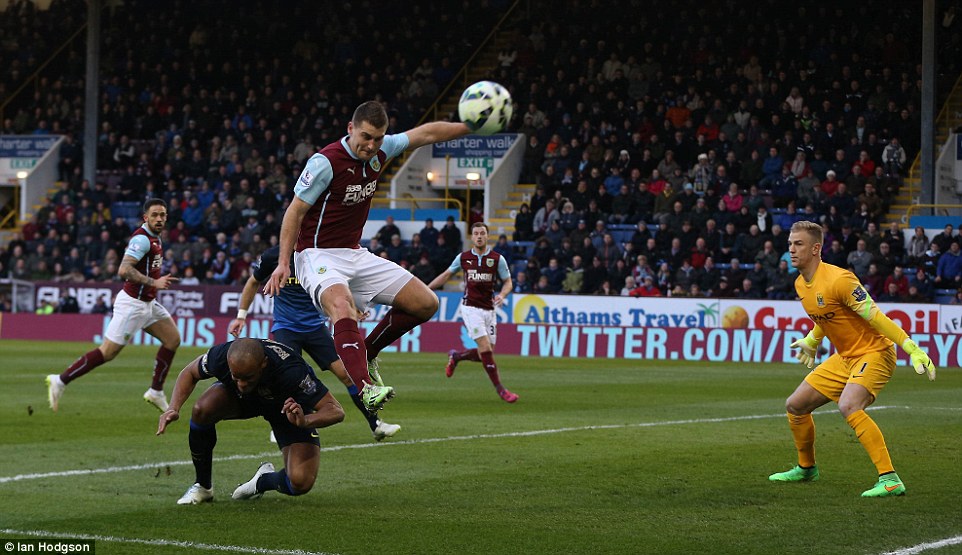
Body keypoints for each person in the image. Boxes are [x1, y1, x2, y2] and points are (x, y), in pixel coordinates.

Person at [265, 101, 476, 412]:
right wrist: (284, 262)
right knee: (341, 305)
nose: (371, 145)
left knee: (426, 302)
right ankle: (365, 387)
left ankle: (369, 350)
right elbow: (295, 211)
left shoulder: (382, 149)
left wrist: (471, 127)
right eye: (365, 137)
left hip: (354, 252)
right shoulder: (325, 162)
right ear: (350, 129)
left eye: (378, 138)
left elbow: (427, 132)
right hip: (315, 253)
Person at [770, 221, 936, 497]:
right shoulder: (801, 284)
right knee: (796, 406)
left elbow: (876, 316)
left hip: (875, 353)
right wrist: (813, 339)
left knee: (849, 405)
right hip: (845, 357)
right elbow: (827, 315)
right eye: (790, 244)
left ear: (816, 248)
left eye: (798, 244)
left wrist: (911, 347)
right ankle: (806, 468)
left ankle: (890, 478)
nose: (791, 250)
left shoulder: (840, 280)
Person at [228, 245, 400, 441]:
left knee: (347, 375)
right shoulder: (274, 256)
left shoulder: (321, 255)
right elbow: (253, 282)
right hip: (286, 328)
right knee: (288, 378)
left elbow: (340, 284)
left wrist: (355, 306)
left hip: (315, 328)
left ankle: (375, 424)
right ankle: (282, 425)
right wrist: (241, 316)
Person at [157, 338, 344, 504]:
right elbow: (189, 373)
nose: (242, 384)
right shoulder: (221, 356)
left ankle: (261, 481)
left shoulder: (292, 371)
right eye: (236, 377)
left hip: (286, 411)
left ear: (264, 364)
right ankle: (203, 486)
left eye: (248, 377)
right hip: (243, 401)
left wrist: (305, 421)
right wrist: (173, 408)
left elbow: (335, 410)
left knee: (300, 482)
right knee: (202, 409)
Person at [46, 199, 181, 412]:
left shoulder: (156, 237)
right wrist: (154, 282)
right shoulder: (142, 239)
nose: (159, 219)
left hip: (148, 304)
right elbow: (124, 269)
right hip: (133, 305)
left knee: (172, 339)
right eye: (154, 215)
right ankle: (60, 380)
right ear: (145, 217)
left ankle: (155, 392)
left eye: (162, 215)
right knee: (107, 352)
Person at [427, 223, 518, 403]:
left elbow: (508, 282)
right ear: (472, 237)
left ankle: (457, 356)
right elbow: (446, 275)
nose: (479, 237)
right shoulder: (463, 257)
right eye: (475, 233)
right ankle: (501, 389)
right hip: (470, 308)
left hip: (489, 310)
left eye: (482, 233)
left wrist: (502, 294)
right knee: (485, 349)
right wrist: (426, 289)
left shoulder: (497, 259)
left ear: (487, 236)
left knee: (487, 352)